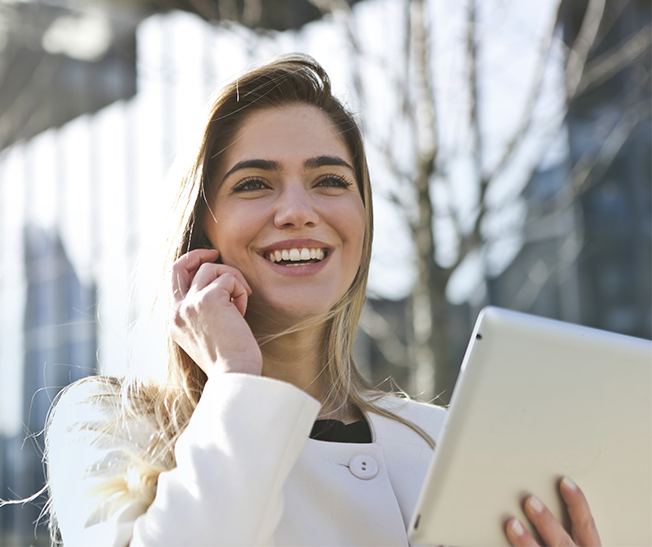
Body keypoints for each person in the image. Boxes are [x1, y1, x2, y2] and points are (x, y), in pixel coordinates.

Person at [45, 54, 601, 547]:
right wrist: (238, 380)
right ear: (199, 231)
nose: (298, 210)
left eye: (330, 181)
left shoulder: (440, 440)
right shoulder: (105, 424)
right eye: (254, 183)